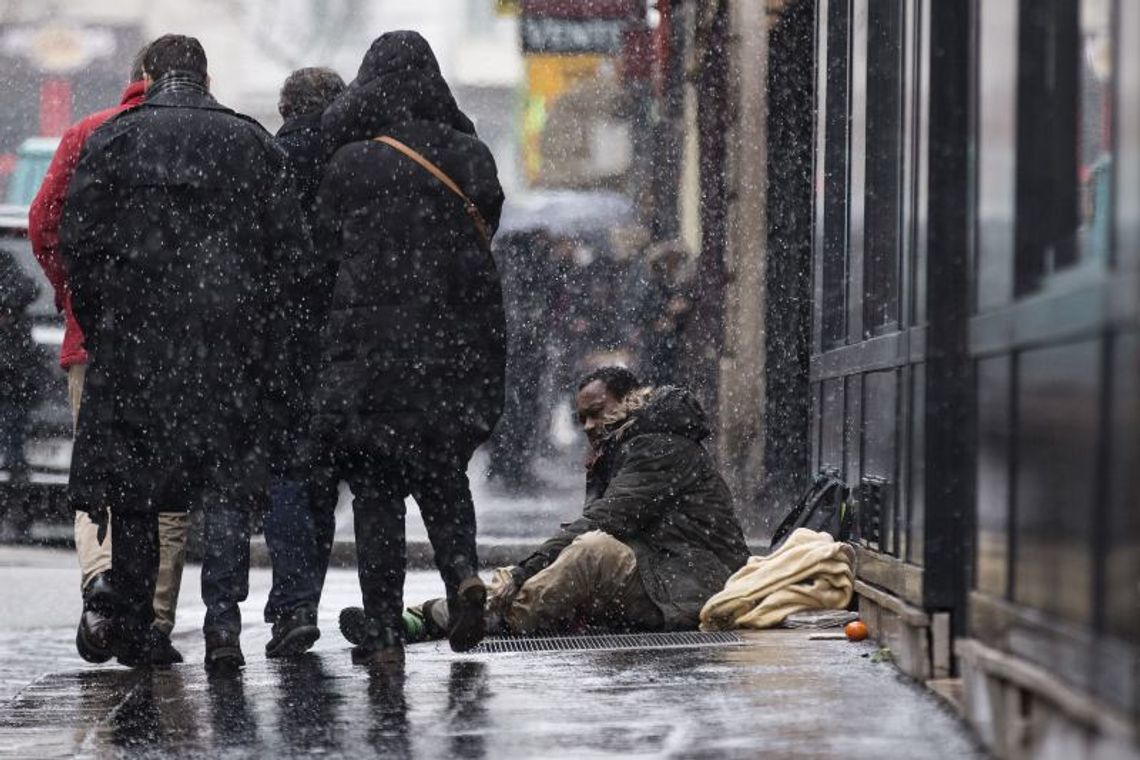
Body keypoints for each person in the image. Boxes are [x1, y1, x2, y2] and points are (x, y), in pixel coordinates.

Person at [59, 34, 316, 670]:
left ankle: (143, 631)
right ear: (205, 75)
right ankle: (222, 629)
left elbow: (77, 245)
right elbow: (292, 257)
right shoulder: (251, 141)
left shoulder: (114, 139)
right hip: (227, 352)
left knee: (139, 493)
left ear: (151, 75)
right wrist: (258, 333)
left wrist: (108, 327)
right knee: (225, 488)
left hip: (138, 352)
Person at [309, 30, 506, 666]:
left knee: (375, 488)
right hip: (450, 348)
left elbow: (322, 248)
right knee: (443, 475)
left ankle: (387, 624)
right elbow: (487, 228)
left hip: (369, 357)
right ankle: (462, 576)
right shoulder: (470, 155)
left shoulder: (351, 162)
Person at [346, 367, 750, 641]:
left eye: (596, 414)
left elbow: (603, 521)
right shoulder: (625, 445)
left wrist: (522, 571)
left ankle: (472, 619)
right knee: (577, 557)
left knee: (592, 552)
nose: (588, 427)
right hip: (663, 569)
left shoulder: (658, 446)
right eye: (582, 419)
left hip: (697, 580)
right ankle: (422, 616)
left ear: (630, 400)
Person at [28, 43, 189, 666]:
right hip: (175, 347)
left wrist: (75, 296)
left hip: (92, 342)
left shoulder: (86, 134)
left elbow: (45, 222)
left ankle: (100, 586)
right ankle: (151, 618)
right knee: (168, 486)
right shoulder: (193, 136)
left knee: (97, 473)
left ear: (134, 78)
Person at [258, 66, 347, 659]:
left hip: (278, 341)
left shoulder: (268, 159)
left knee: (287, 473)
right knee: (324, 479)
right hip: (343, 343)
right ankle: (303, 599)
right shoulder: (358, 162)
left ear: (286, 106)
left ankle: (293, 604)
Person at [0, 249, 40, 484]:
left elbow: (29, 289)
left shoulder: (7, 262)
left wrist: (8, 307)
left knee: (12, 416)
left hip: (13, 375)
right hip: (15, 376)